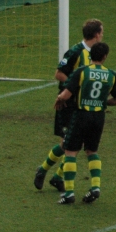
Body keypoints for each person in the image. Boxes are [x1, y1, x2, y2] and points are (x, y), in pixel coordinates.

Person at [34, 19, 104, 192]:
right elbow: (59, 74)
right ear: (96, 34)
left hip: (83, 106)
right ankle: (42, 169)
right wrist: (76, 86)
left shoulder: (95, 54)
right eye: (101, 32)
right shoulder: (75, 52)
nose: (102, 35)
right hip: (68, 104)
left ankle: (58, 177)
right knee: (67, 144)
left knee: (75, 144)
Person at [54, 43, 116, 204]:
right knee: (92, 151)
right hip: (99, 117)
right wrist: (103, 103)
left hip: (81, 115)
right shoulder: (111, 75)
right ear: (105, 56)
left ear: (91, 55)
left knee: (71, 151)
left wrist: (59, 100)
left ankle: (69, 193)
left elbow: (66, 95)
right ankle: (95, 187)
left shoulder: (82, 71)